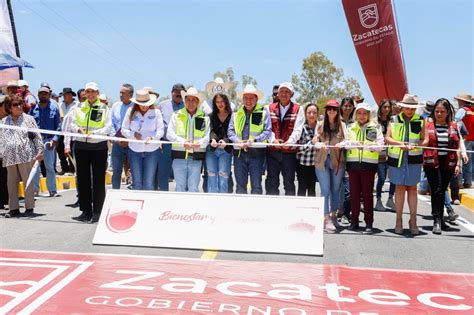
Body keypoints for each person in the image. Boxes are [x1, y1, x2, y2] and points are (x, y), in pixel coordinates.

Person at [69, 82, 111, 223]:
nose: (91, 94)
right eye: (88, 91)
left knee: (98, 180)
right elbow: (72, 123)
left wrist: (95, 133)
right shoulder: (78, 107)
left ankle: (98, 211)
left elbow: (108, 127)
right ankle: (85, 211)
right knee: (83, 180)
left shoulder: (104, 107)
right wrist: (79, 130)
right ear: (85, 93)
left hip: (98, 147)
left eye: (93, 91)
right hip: (81, 146)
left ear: (97, 93)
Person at [386, 94, 425, 235]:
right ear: (402, 107)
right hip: (397, 158)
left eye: (413, 108)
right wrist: (400, 144)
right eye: (408, 107)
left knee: (413, 188)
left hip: (414, 159)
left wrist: (416, 145)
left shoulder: (421, 120)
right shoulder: (393, 119)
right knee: (400, 188)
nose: (410, 110)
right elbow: (388, 138)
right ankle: (398, 220)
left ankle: (413, 220)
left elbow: (424, 140)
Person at [422, 98, 461, 234]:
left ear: (448, 112)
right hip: (432, 162)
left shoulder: (454, 126)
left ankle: (442, 220)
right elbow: (423, 141)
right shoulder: (427, 125)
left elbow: (457, 146)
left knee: (443, 188)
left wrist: (459, 163)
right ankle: (436, 220)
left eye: (442, 111)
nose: (439, 114)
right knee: (437, 189)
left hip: (448, 163)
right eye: (437, 111)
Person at [0, 95, 44, 218]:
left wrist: (40, 150)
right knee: (11, 183)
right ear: (9, 107)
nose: (19, 107)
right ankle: (13, 208)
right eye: (15, 105)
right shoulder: (3, 122)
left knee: (28, 182)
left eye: (20, 104)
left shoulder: (29, 119)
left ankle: (29, 207)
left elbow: (36, 136)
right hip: (9, 157)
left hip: (26, 155)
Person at [346, 103, 384, 232]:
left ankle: (369, 222)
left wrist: (367, 146)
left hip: (369, 165)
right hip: (353, 164)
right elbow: (345, 144)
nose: (362, 116)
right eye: (359, 113)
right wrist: (354, 144)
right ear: (356, 114)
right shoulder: (350, 127)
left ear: (369, 114)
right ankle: (354, 221)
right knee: (354, 195)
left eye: (365, 113)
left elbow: (380, 146)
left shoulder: (376, 127)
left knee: (367, 195)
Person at [228, 84, 271, 194]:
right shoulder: (236, 114)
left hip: (257, 154)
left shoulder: (264, 113)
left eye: (251, 98)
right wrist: (238, 141)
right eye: (246, 98)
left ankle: (255, 210)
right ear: (242, 99)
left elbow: (267, 132)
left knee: (256, 185)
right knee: (240, 186)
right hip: (239, 154)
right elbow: (230, 132)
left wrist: (254, 140)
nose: (248, 101)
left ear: (256, 99)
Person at [313, 100, 347, 233]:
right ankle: (325, 218)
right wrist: (317, 143)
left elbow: (347, 139)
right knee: (325, 190)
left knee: (335, 189)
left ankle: (333, 216)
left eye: (334, 109)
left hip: (337, 161)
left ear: (338, 111)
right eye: (329, 109)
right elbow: (315, 138)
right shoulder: (320, 124)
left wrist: (342, 144)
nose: (331, 111)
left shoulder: (342, 125)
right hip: (322, 161)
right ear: (326, 110)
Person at [167, 87, 210, 192]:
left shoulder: (205, 117)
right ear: (184, 101)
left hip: (196, 158)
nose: (190, 103)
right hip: (178, 157)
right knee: (179, 188)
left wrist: (199, 144)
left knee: (193, 188)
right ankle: (178, 209)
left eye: (193, 100)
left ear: (198, 102)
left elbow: (207, 136)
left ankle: (193, 209)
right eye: (188, 100)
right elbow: (169, 134)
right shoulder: (176, 115)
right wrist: (183, 142)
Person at [266, 82, 304, 195]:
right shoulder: (269, 108)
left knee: (289, 183)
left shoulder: (298, 109)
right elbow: (266, 128)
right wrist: (273, 140)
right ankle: (272, 209)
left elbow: (298, 129)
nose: (284, 94)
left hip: (289, 153)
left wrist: (290, 142)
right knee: (272, 182)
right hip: (273, 152)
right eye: (281, 91)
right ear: (277, 94)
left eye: (287, 92)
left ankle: (290, 210)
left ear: (292, 94)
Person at [121, 89, 164, 190]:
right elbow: (123, 130)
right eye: (141, 104)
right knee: (137, 183)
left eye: (147, 103)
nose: (144, 106)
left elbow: (161, 130)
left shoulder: (156, 112)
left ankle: (148, 205)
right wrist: (132, 134)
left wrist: (152, 137)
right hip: (134, 150)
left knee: (149, 183)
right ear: (137, 103)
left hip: (152, 151)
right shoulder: (130, 112)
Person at [30, 86, 61, 197]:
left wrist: (54, 140)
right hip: (35, 141)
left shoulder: (54, 108)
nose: (43, 95)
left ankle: (52, 190)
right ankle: (34, 190)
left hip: (49, 141)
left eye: (45, 93)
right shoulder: (33, 109)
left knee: (49, 167)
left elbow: (58, 127)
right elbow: (28, 124)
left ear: (49, 95)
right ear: (38, 95)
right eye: (41, 93)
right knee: (35, 167)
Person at [156, 83, 186, 191]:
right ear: (171, 93)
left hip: (181, 145)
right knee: (163, 173)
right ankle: (163, 197)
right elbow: (158, 125)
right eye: (176, 91)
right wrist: (158, 141)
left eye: (180, 92)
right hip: (166, 144)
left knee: (181, 175)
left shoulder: (188, 106)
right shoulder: (162, 105)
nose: (178, 94)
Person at [206, 91, 233, 193]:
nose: (220, 104)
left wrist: (226, 141)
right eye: (217, 102)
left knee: (224, 176)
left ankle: (223, 202)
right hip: (212, 150)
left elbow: (233, 131)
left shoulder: (232, 116)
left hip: (226, 151)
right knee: (211, 175)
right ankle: (212, 201)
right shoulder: (211, 116)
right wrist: (213, 139)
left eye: (222, 101)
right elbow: (210, 130)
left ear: (226, 102)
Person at [110, 84, 134, 189]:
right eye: (120, 92)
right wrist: (115, 139)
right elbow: (110, 124)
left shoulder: (135, 107)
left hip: (132, 144)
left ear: (131, 94)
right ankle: (115, 193)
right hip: (117, 144)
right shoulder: (115, 106)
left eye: (123, 93)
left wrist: (129, 140)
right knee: (116, 171)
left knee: (135, 170)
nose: (120, 95)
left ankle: (135, 193)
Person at [375, 99, 396, 210]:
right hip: (379, 154)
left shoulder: (393, 121)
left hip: (392, 153)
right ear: (380, 108)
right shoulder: (375, 121)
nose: (387, 109)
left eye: (388, 107)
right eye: (385, 107)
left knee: (393, 178)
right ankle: (378, 200)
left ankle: (390, 199)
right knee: (382, 178)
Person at [338, 97, 355, 224]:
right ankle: (338, 210)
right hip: (338, 159)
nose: (347, 108)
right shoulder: (336, 121)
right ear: (341, 107)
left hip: (353, 160)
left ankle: (345, 213)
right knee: (337, 187)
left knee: (348, 188)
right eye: (345, 106)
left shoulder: (356, 122)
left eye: (350, 106)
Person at [296, 103, 319, 196]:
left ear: (318, 114)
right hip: (302, 164)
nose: (312, 115)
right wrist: (311, 143)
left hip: (315, 164)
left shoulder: (320, 127)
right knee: (302, 188)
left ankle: (311, 210)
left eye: (314, 112)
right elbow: (298, 148)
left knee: (312, 189)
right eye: (309, 112)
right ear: (305, 114)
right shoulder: (301, 127)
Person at [454, 93, 474, 188]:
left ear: (461, 101)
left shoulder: (462, 110)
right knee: (469, 162)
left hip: (464, 139)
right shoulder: (472, 111)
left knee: (460, 160)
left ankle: (459, 183)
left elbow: (456, 122)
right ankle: (468, 182)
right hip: (472, 139)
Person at [57, 87, 78, 175]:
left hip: (71, 133)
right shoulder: (59, 105)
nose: (64, 97)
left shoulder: (76, 105)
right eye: (63, 95)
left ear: (70, 95)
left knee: (71, 151)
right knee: (60, 151)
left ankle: (72, 169)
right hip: (61, 132)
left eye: (66, 95)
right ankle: (64, 168)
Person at [0, 95, 11, 209]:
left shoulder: (9, 120)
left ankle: (8, 201)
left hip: (7, 153)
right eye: (5, 105)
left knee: (7, 178)